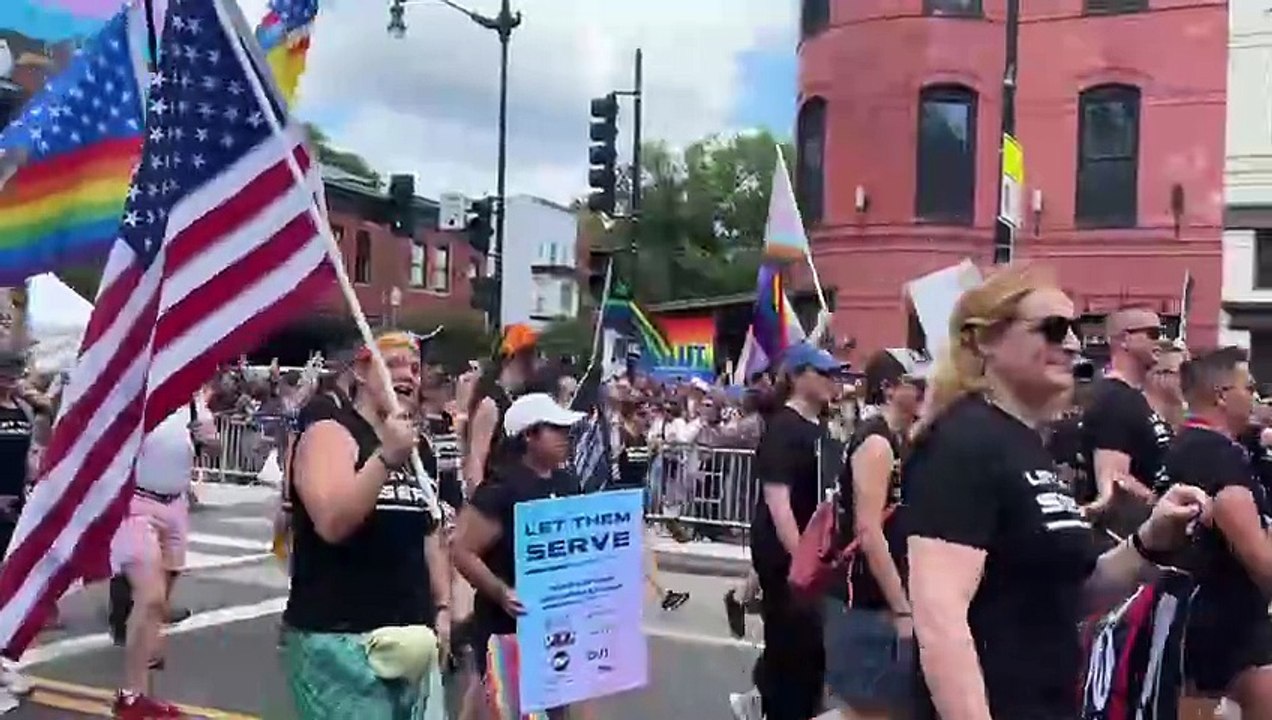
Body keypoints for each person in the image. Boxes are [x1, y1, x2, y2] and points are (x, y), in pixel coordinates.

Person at [904, 263, 1209, 720]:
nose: (1071, 343)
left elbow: (1074, 591)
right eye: (1053, 328)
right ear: (984, 340)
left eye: (1075, 329)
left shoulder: (1026, 442)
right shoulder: (963, 440)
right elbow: (940, 619)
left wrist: (1150, 539)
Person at [281, 332, 451, 719]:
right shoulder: (330, 431)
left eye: (414, 367)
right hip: (342, 641)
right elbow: (332, 522)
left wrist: (442, 608)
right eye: (391, 364)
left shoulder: (418, 448)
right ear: (361, 371)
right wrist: (384, 459)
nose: (407, 374)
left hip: (412, 638)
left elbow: (430, 531)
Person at [451, 393, 586, 720]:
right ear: (529, 435)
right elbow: (462, 551)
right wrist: (501, 592)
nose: (566, 437)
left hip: (555, 625)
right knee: (504, 707)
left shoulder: (568, 483)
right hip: (506, 626)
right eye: (556, 429)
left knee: (555, 707)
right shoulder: (502, 488)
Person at [1164, 348, 1272, 715]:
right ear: (1222, 395)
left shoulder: (1184, 444)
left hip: (1208, 618)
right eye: (1250, 387)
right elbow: (1260, 558)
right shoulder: (1219, 455)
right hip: (1221, 620)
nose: (1256, 397)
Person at [748, 342, 844, 720]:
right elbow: (778, 504)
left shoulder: (820, 427)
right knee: (793, 657)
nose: (832, 382)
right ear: (798, 376)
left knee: (810, 659)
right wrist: (804, 562)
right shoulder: (783, 428)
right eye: (823, 373)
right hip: (789, 563)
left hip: (814, 558)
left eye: (835, 374)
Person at [823, 356, 922, 719]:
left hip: (873, 598)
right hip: (865, 598)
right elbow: (869, 530)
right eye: (916, 383)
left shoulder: (896, 440)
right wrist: (901, 607)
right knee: (872, 713)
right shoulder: (877, 443)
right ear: (890, 388)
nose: (924, 389)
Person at [108, 393, 219, 718]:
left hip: (176, 504)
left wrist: (207, 439)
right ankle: (130, 695)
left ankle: (140, 680)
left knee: (162, 594)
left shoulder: (193, 403)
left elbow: (213, 449)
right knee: (151, 595)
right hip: (135, 503)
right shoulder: (136, 398)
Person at [1081, 305, 1174, 541]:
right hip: (1127, 540)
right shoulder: (1114, 399)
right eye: (1152, 333)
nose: (1160, 341)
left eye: (1162, 333)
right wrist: (1165, 503)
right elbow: (1115, 481)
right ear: (1125, 340)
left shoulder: (1134, 397)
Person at [464, 324, 539, 493]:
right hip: (496, 498)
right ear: (509, 359)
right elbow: (476, 461)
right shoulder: (490, 404)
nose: (532, 364)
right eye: (526, 357)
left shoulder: (518, 401)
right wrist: (480, 506)